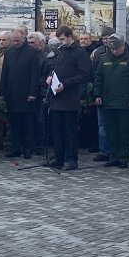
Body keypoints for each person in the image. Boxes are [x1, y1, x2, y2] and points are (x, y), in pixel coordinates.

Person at [91, 32, 129, 169]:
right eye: (112, 49)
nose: (114, 51)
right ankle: (113, 156)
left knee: (123, 131)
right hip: (108, 101)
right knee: (111, 131)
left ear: (123, 46)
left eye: (117, 49)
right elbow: (98, 78)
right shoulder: (104, 59)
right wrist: (97, 95)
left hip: (125, 101)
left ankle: (123, 158)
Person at [44, 26, 91, 171]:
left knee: (70, 130)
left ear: (70, 36)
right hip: (56, 96)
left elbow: (84, 75)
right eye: (59, 39)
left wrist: (65, 84)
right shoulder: (61, 51)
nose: (61, 42)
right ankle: (58, 157)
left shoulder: (79, 51)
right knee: (57, 129)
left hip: (70, 96)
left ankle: (72, 159)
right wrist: (50, 77)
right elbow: (55, 68)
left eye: (63, 39)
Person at [1, 29, 45, 158]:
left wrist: (33, 93)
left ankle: (28, 149)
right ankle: (15, 147)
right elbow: (5, 72)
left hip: (27, 93)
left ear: (24, 38)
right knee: (14, 123)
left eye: (18, 40)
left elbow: (35, 74)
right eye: (14, 41)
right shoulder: (9, 52)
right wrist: (2, 91)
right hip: (12, 93)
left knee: (27, 123)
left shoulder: (32, 52)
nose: (16, 43)